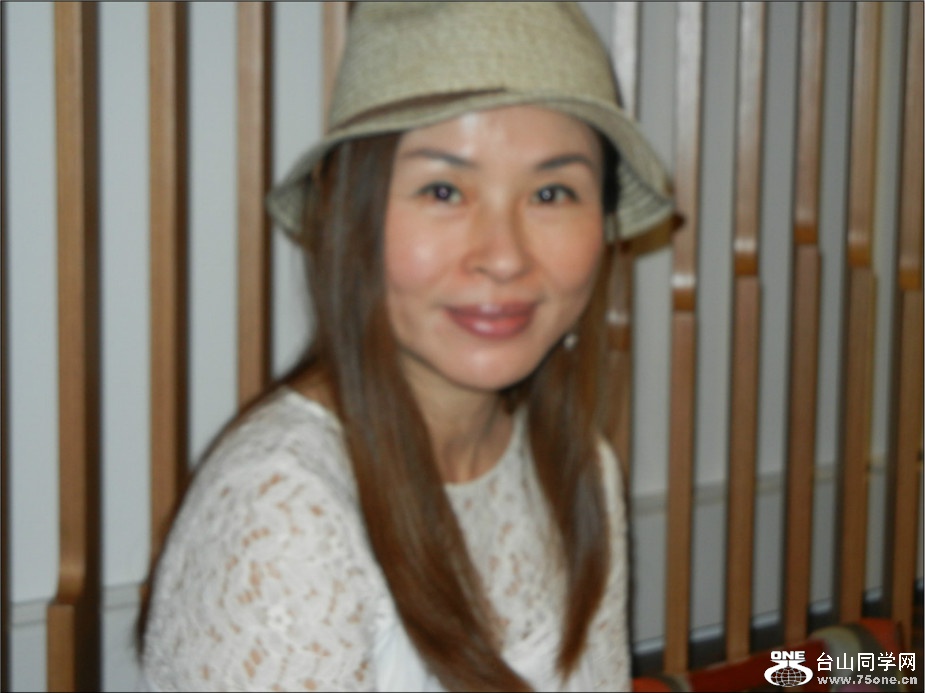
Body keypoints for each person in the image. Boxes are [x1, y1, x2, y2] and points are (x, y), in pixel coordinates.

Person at [140, 3, 673, 691]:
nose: (504, 257)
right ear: (350, 215)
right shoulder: (282, 517)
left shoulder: (579, 469)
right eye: (444, 190)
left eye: (550, 192)